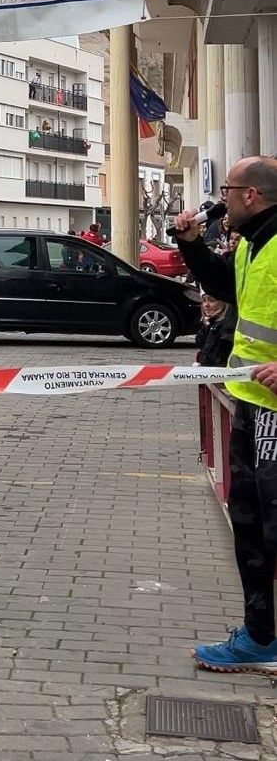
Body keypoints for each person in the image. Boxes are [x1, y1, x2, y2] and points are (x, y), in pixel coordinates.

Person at [172, 156, 277, 672]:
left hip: (276, 414)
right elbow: (225, 288)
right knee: (249, 524)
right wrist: (190, 245)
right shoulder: (251, 247)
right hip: (249, 406)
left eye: (228, 189)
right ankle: (260, 638)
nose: (222, 198)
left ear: (251, 196)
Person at [194, 293, 237, 367]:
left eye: (212, 300)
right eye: (204, 300)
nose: (206, 305)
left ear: (224, 303)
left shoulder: (227, 328)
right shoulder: (209, 325)